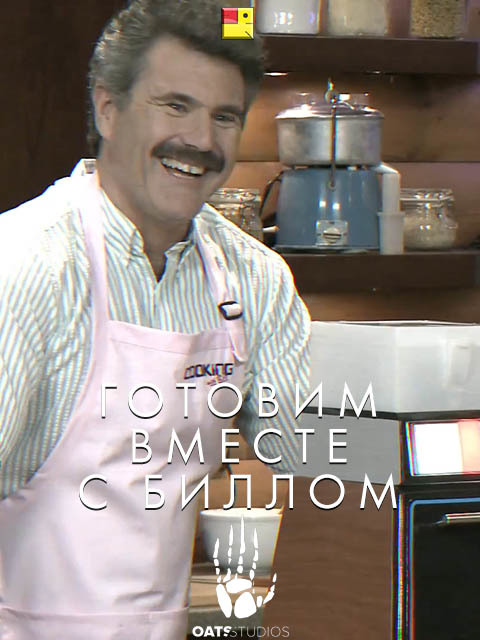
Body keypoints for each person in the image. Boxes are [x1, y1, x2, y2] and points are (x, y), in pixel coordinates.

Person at [0, 1, 310, 638]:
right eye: (175, 106)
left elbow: (307, 460)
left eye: (223, 116)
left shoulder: (256, 279)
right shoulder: (29, 263)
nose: (200, 140)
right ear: (107, 110)